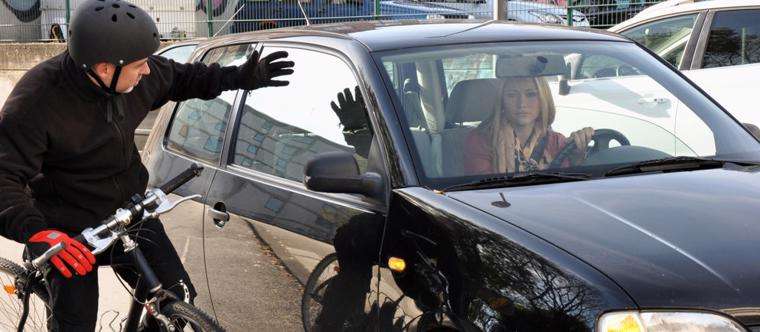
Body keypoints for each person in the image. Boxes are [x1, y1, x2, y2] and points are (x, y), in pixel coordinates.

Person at [0, 0, 294, 330]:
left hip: (127, 213)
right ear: (105, 68)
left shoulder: (138, 77)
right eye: (139, 64)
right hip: (69, 232)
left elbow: (185, 78)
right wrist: (36, 231)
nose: (148, 70)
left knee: (176, 299)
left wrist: (240, 76)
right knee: (75, 323)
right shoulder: (36, 100)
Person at [465, 76, 594, 174]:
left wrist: (578, 157)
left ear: (544, 99)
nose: (521, 104)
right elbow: (483, 192)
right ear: (502, 101)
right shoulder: (481, 140)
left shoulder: (557, 141)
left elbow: (568, 186)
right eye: (512, 95)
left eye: (531, 94)